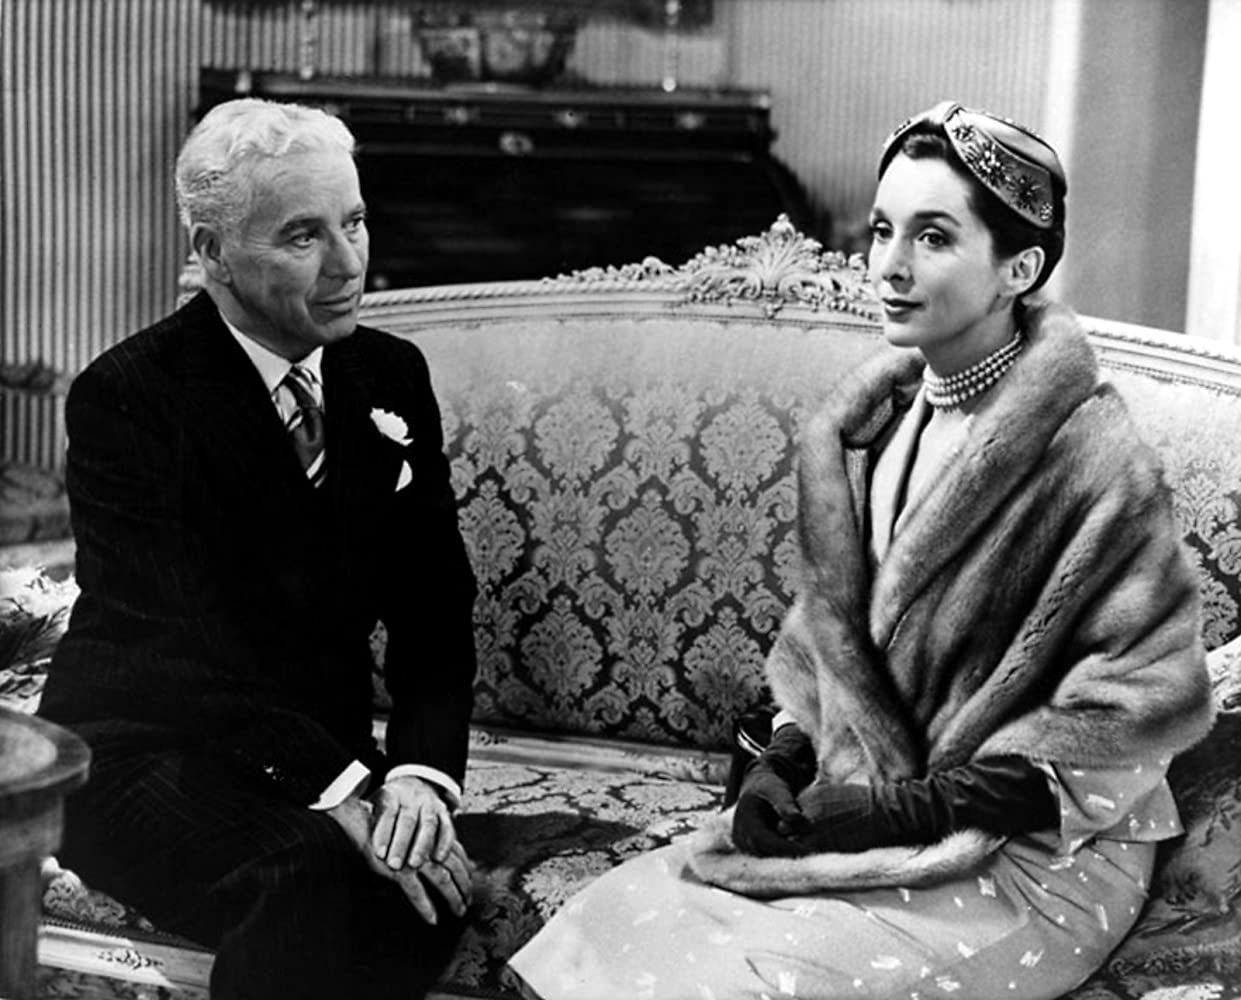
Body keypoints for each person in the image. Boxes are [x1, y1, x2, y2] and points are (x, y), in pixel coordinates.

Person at [507, 101, 1215, 1000]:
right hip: (867, 814)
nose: (888, 265)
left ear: (1019, 268)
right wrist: (780, 765)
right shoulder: (872, 433)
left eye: (932, 237)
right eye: (882, 230)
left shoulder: (1094, 465)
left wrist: (891, 811)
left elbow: (1122, 725)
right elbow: (828, 654)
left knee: (734, 980)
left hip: (1032, 857)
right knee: (597, 929)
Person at [38, 98, 479, 999]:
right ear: (212, 252)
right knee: (305, 879)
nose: (349, 263)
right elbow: (179, 645)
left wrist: (419, 779)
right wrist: (342, 788)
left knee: (420, 889)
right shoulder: (130, 396)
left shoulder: (390, 375)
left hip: (313, 750)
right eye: (303, 236)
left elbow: (436, 611)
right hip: (141, 748)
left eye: (354, 221)